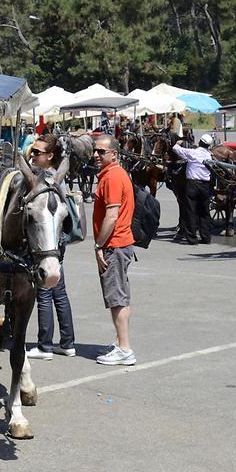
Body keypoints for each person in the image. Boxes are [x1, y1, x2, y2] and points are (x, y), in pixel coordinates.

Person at [26, 134, 76, 360]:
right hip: (58, 242)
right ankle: (67, 343)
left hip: (49, 244)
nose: (32, 155)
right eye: (32, 151)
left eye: (37, 152)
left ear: (50, 156)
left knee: (44, 293)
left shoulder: (47, 179)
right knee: (60, 293)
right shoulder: (57, 177)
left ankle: (45, 346)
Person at [91, 134, 136, 366]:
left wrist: (99, 245)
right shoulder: (113, 174)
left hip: (114, 245)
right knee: (120, 296)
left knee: (116, 298)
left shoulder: (112, 177)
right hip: (119, 244)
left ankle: (125, 349)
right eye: (95, 151)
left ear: (114, 154)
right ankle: (121, 343)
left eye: (101, 152)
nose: (96, 155)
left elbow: (112, 214)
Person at [172, 133, 214, 245]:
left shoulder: (193, 153)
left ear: (200, 142)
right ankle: (206, 237)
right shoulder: (209, 156)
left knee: (190, 211)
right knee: (204, 212)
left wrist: (178, 142)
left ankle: (192, 238)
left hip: (192, 185)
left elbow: (176, 149)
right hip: (205, 186)